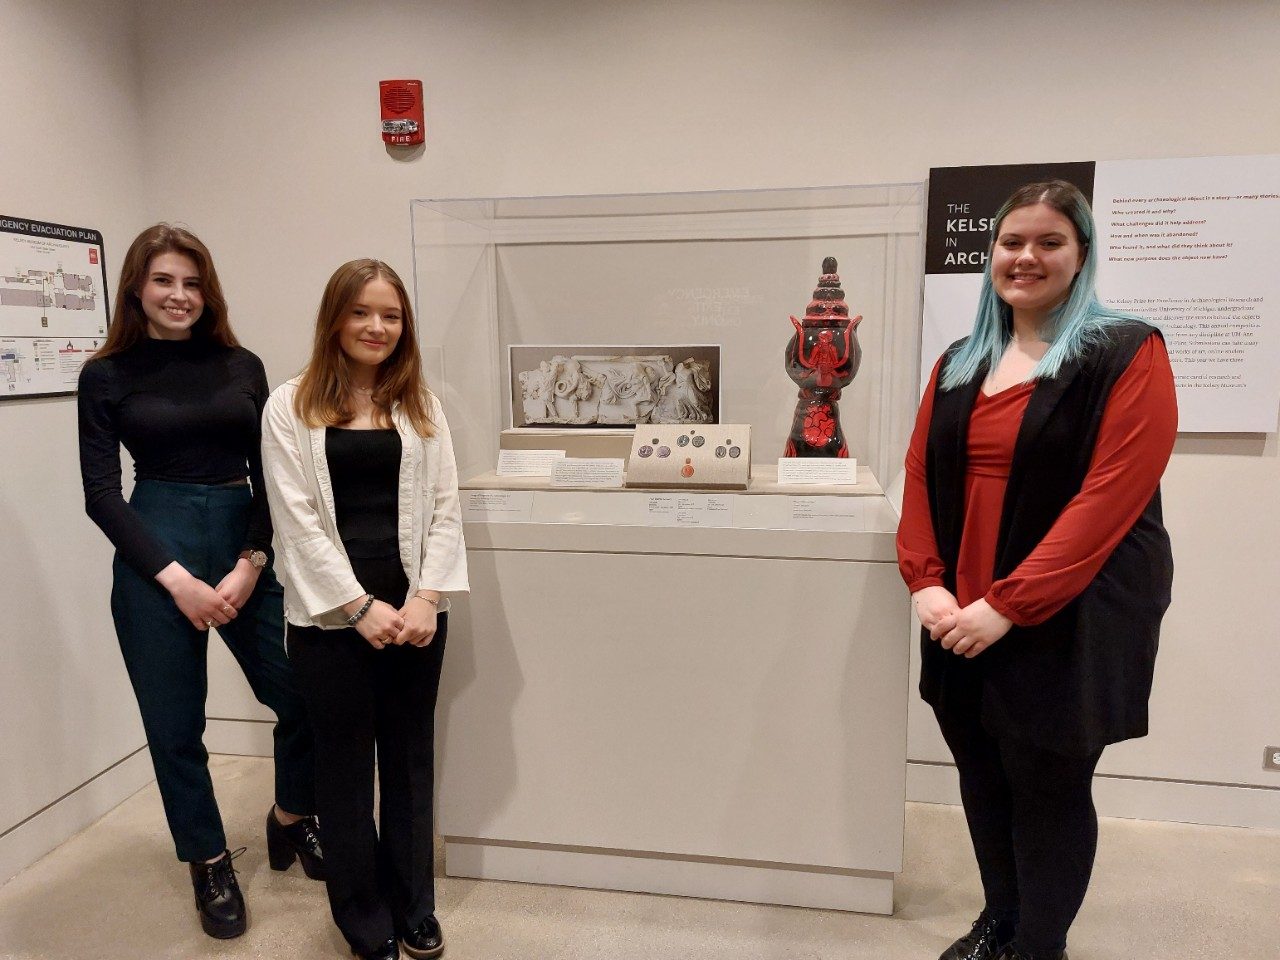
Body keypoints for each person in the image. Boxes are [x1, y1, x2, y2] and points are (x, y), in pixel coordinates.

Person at [897, 181, 1177, 960]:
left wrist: (1010, 605)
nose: (1027, 257)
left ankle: (1038, 945)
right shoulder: (962, 360)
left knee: (1048, 784)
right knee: (982, 771)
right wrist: (925, 580)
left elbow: (1110, 498)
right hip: (960, 611)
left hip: (1069, 610)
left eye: (1049, 242)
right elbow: (920, 472)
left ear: (1080, 255)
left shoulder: (1126, 351)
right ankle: (1001, 919)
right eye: (1012, 242)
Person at [77, 224, 324, 940]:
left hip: (242, 536)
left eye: (191, 282)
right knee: (175, 726)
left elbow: (274, 477)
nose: (178, 295)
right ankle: (209, 859)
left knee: (303, 692)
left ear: (206, 291)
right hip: (155, 546)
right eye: (163, 281)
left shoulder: (241, 365)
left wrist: (252, 563)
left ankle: (291, 816)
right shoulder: (107, 374)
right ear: (136, 289)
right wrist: (177, 581)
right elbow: (100, 493)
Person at [261, 259, 467, 960]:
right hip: (330, 619)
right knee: (344, 770)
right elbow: (295, 523)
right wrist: (357, 608)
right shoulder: (289, 406)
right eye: (361, 312)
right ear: (335, 319)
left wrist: (428, 598)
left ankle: (415, 904)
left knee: (411, 760)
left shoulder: (422, 405)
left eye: (391, 315)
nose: (377, 327)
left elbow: (445, 510)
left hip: (414, 611)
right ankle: (362, 913)